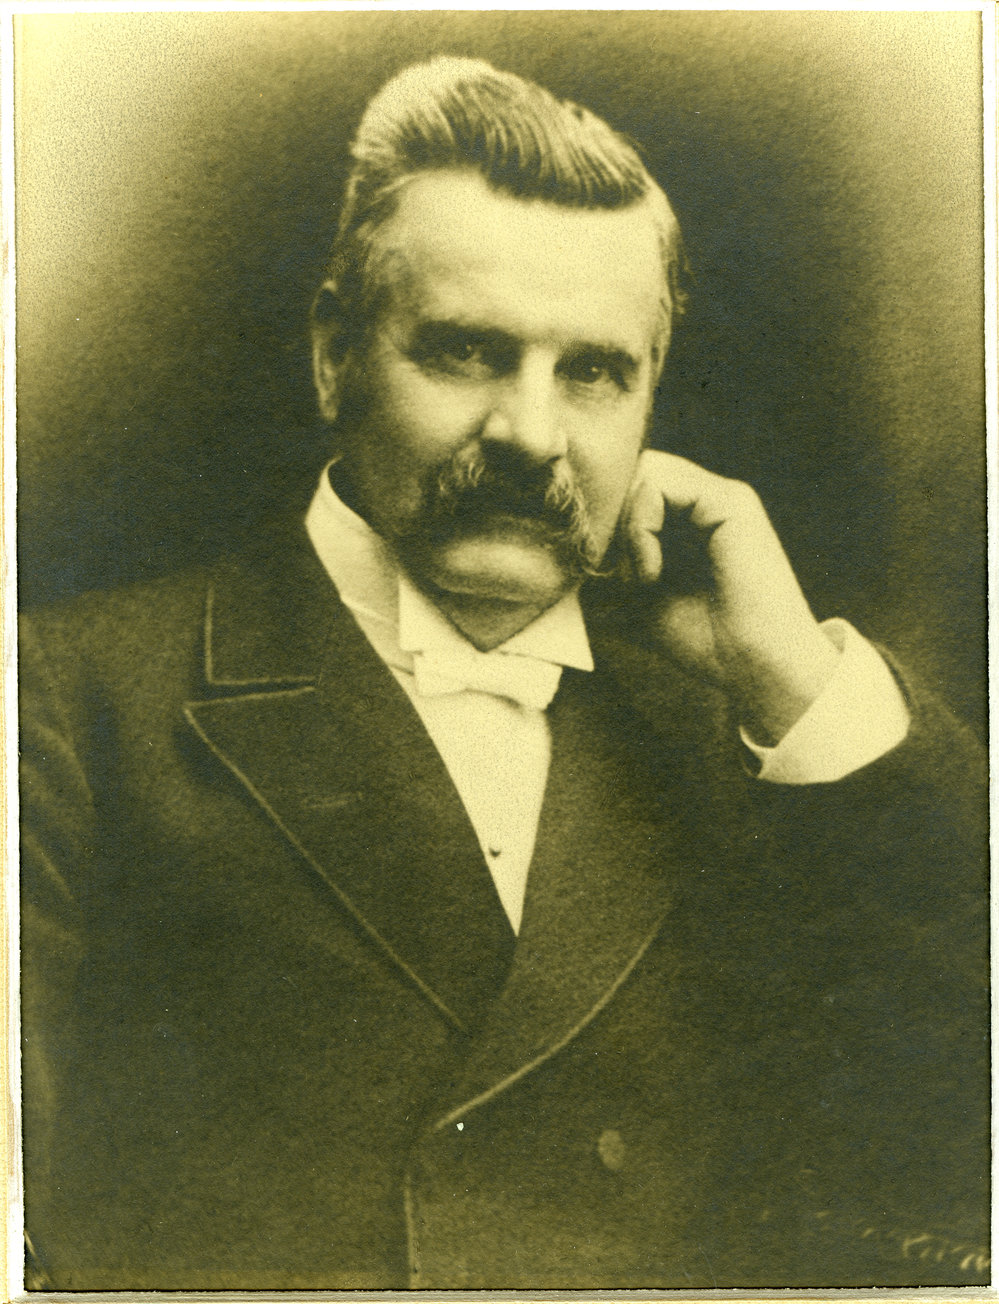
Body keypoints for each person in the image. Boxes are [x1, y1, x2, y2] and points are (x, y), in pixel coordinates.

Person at [19, 57, 988, 1291]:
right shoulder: (70, 703)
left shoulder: (747, 729)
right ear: (334, 355)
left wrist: (796, 679)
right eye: (467, 352)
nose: (531, 434)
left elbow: (950, 1109)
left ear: (651, 397)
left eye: (593, 372)